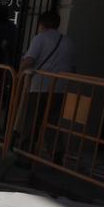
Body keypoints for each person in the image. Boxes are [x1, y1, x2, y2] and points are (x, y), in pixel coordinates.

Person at [17, 10, 75, 157]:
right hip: (60, 89)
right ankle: (57, 153)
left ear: (41, 24)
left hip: (39, 87)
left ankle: (25, 154)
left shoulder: (40, 39)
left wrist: (19, 72)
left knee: (31, 120)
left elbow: (30, 60)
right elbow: (72, 66)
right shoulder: (68, 42)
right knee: (52, 123)